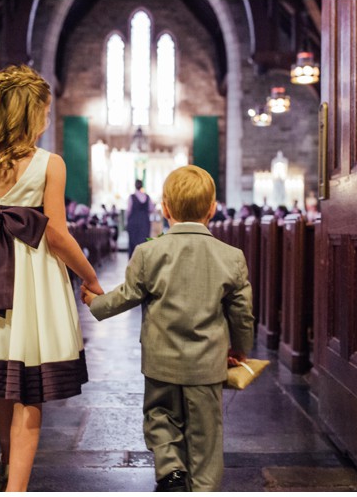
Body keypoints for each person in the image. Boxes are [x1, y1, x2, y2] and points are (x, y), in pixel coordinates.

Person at [0, 64, 103, 492]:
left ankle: (9, 461)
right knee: (30, 385)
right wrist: (89, 274)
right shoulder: (49, 164)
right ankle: (17, 489)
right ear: (30, 113)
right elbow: (57, 234)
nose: (47, 119)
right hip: (35, 281)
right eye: (44, 111)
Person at [80, 165, 254, 492]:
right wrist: (241, 348)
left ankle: (171, 467)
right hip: (206, 366)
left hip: (161, 363)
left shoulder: (149, 252)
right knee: (207, 434)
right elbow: (242, 312)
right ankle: (203, 487)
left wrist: (94, 303)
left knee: (159, 418)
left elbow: (126, 295)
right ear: (212, 208)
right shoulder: (231, 257)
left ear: (165, 207)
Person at [125, 179, 154, 257]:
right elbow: (151, 209)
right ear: (142, 186)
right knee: (144, 243)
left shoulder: (131, 197)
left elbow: (128, 211)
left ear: (135, 186)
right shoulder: (147, 197)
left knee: (133, 244)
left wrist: (126, 222)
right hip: (145, 223)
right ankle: (143, 263)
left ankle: (133, 263)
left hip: (133, 223)